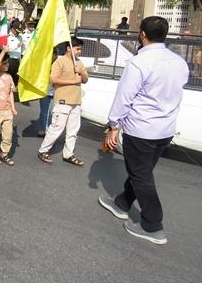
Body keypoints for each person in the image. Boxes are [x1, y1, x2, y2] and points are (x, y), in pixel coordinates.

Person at [98, 16, 189, 245]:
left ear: (142, 34)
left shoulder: (139, 63)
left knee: (142, 176)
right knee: (143, 172)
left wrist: (113, 126)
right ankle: (122, 203)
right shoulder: (179, 62)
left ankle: (152, 224)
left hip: (142, 130)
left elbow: (124, 98)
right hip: (165, 130)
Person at [37, 37, 88, 166]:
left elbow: (86, 79)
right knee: (57, 128)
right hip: (63, 101)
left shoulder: (79, 63)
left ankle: (68, 154)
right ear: (68, 48)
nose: (79, 51)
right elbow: (53, 79)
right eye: (77, 49)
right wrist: (73, 81)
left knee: (73, 130)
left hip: (76, 102)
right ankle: (43, 150)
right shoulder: (60, 62)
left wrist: (81, 72)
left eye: (80, 49)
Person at [37, 48, 58, 137]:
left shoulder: (59, 64)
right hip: (45, 91)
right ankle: (44, 130)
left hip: (56, 91)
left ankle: (50, 130)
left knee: (54, 112)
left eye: (55, 54)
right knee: (45, 112)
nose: (54, 56)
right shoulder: (43, 64)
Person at [7, 20, 22, 86]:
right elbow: (6, 50)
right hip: (10, 60)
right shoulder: (8, 37)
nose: (18, 33)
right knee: (9, 80)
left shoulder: (20, 37)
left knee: (16, 81)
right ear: (12, 29)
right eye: (16, 31)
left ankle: (14, 95)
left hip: (18, 61)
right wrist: (16, 47)